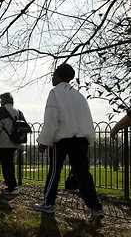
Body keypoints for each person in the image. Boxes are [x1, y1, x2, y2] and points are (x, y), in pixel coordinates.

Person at [34, 63, 104, 222]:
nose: (52, 78)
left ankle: (48, 203)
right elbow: (87, 118)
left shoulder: (55, 93)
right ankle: (96, 207)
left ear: (59, 77)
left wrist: (44, 141)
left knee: (55, 171)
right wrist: (89, 138)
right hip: (80, 138)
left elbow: (51, 118)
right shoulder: (79, 96)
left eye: (53, 75)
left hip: (62, 138)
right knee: (83, 173)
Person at [0, 92, 26, 195]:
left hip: (4, 141)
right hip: (15, 141)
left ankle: (11, 186)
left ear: (3, 101)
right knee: (10, 163)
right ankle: (11, 184)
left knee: (6, 164)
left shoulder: (1, 110)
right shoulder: (19, 112)